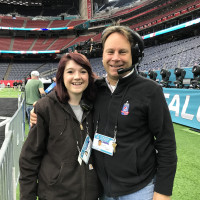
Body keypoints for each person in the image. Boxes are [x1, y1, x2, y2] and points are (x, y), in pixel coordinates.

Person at [30, 24, 177, 200]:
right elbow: (66, 91)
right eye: (110, 52)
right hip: (103, 191)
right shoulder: (94, 89)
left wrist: (163, 192)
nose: (115, 58)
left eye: (122, 52)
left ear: (134, 55)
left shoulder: (150, 91)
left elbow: (166, 144)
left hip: (139, 190)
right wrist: (39, 109)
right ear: (102, 56)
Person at [19, 53, 102, 200]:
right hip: (55, 195)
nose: (77, 77)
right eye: (70, 72)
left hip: (90, 195)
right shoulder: (45, 108)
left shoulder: (96, 104)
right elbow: (29, 159)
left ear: (89, 76)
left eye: (83, 71)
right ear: (61, 76)